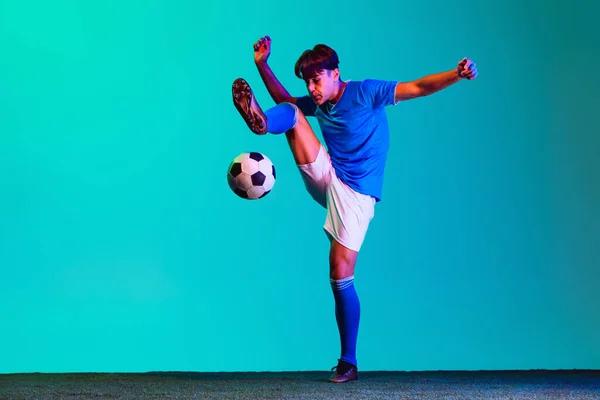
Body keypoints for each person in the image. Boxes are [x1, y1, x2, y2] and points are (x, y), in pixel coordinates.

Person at [231, 35, 478, 383]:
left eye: (317, 80)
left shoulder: (366, 92)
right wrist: (262, 65)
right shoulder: (320, 103)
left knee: (339, 273)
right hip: (327, 175)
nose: (313, 88)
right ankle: (260, 124)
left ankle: (349, 361)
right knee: (291, 112)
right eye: (308, 82)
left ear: (336, 74)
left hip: (356, 195)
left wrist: (457, 73)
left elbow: (419, 87)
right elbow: (286, 100)